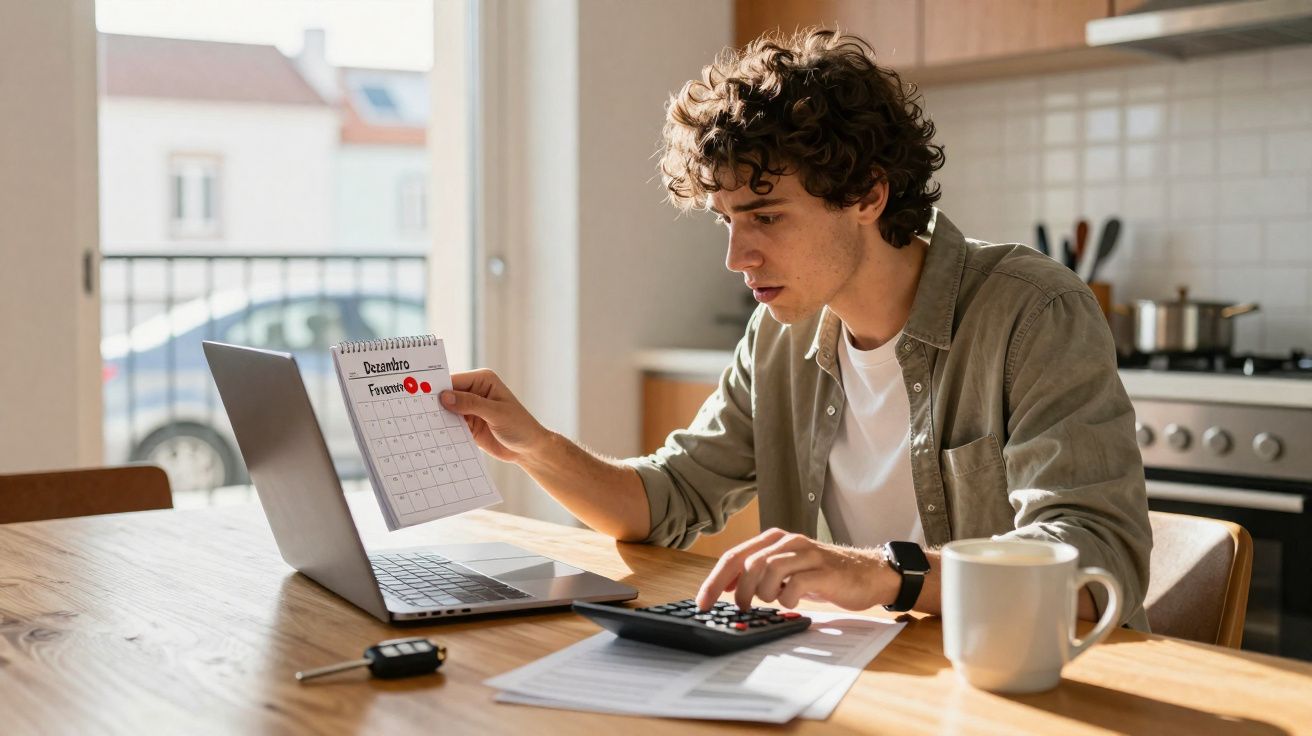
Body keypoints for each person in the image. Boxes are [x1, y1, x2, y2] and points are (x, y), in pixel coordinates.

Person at [440, 29, 1152, 629]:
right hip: (865, 679)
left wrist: (878, 574)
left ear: (868, 194)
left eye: (766, 215)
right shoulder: (778, 338)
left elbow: (1097, 569)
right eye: (728, 221)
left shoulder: (1030, 312)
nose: (735, 256)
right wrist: (534, 445)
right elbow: (665, 504)